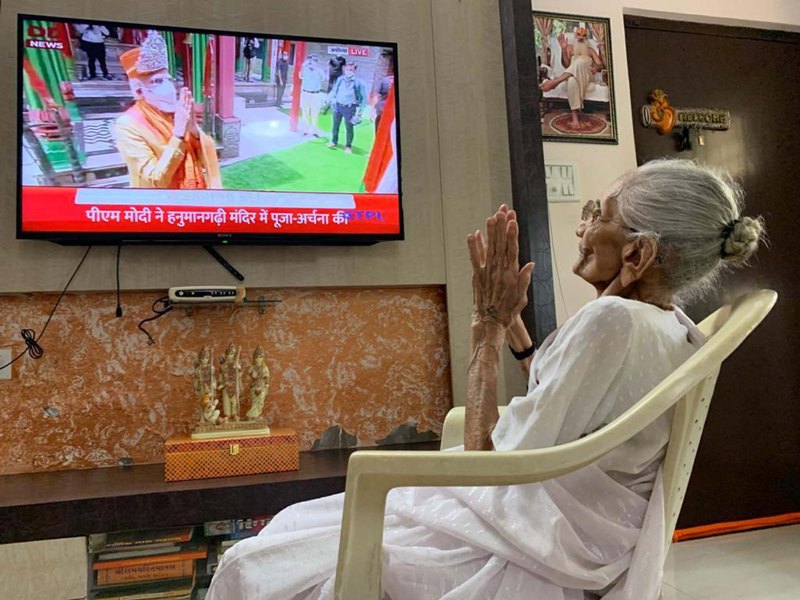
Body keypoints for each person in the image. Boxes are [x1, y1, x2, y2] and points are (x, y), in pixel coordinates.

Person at [206, 159, 764, 599]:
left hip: (534, 540)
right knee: (294, 529)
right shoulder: (670, 324)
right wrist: (514, 328)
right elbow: (569, 400)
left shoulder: (611, 321)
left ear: (638, 253)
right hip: (588, 537)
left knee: (256, 560)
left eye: (601, 214)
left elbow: (489, 464)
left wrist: (485, 329)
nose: (584, 226)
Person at [113, 30, 221, 189]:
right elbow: (154, 180)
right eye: (157, 81)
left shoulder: (176, 112)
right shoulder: (127, 124)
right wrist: (178, 133)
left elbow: (203, 157)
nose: (169, 88)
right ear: (139, 90)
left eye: (169, 80)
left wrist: (193, 130)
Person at [540, 26, 604, 130]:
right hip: (572, 75)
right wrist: (563, 49)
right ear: (575, 36)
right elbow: (566, 65)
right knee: (571, 81)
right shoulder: (569, 48)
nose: (581, 37)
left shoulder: (590, 50)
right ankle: (575, 115)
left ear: (586, 38)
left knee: (581, 61)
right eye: (578, 34)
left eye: (584, 35)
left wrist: (596, 68)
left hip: (586, 75)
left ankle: (556, 82)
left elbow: (600, 65)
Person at [326, 61, 367, 154]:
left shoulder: (359, 83)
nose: (348, 71)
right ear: (344, 69)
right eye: (347, 69)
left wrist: (360, 113)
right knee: (335, 126)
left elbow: (364, 99)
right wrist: (329, 98)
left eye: (351, 70)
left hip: (349, 108)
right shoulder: (340, 79)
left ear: (354, 70)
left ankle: (348, 146)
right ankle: (333, 141)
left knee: (349, 127)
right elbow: (334, 90)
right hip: (337, 106)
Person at [298, 53, 325, 136]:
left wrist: (315, 69)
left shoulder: (319, 70)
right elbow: (300, 76)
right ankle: (305, 130)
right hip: (305, 93)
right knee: (305, 112)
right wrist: (303, 66)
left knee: (315, 113)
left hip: (315, 94)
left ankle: (314, 131)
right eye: (311, 60)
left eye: (314, 60)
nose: (312, 62)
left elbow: (323, 78)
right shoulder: (305, 69)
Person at [372, 50, 395, 132]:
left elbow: (377, 95)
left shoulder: (385, 80)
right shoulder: (386, 81)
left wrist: (373, 111)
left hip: (384, 112)